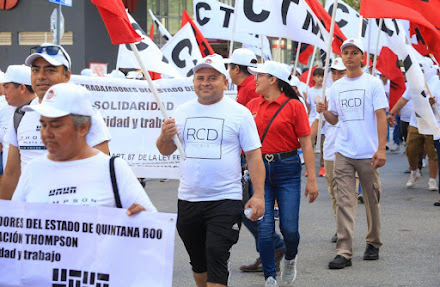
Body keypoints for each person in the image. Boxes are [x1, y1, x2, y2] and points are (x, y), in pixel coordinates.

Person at [156, 54, 265, 287]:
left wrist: (258, 195)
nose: (205, 82)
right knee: (199, 264)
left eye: (212, 78)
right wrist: (165, 135)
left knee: (216, 255)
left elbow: (254, 156)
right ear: (194, 82)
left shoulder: (239, 113)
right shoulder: (182, 112)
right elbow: (165, 150)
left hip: (225, 199)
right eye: (200, 78)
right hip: (188, 200)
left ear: (225, 82)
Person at [12, 83, 156, 215]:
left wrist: (140, 219)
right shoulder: (33, 169)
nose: (46, 134)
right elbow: (13, 225)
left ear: (83, 128)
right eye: (43, 124)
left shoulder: (113, 168)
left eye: (56, 126)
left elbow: (154, 229)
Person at [0, 43, 111, 200]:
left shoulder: (86, 114)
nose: (41, 76)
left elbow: (102, 172)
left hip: (72, 217)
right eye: (35, 70)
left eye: (50, 70)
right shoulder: (20, 115)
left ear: (67, 76)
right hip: (32, 218)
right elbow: (11, 174)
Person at [246, 61, 319, 286]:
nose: (255, 79)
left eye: (260, 76)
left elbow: (306, 144)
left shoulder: (294, 106)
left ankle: (290, 257)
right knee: (264, 229)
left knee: (289, 229)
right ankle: (269, 276)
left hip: (287, 168)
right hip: (259, 172)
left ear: (273, 80)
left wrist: (312, 179)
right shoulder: (251, 106)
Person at [318, 38, 388, 269]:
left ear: (362, 57)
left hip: (368, 152)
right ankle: (344, 251)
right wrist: (324, 111)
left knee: (371, 199)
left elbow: (380, 116)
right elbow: (335, 119)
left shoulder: (373, 83)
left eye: (353, 52)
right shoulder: (336, 87)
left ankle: (373, 242)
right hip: (343, 152)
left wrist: (380, 148)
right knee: (344, 200)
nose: (349, 56)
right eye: (345, 52)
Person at [227, 48, 286, 273]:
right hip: (258, 155)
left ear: (235, 69)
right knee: (249, 207)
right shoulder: (249, 88)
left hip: (258, 157)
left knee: (249, 207)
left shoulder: (248, 91)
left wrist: (248, 158)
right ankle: (267, 252)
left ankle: (274, 246)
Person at [313, 57, 346, 243]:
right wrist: (322, 111)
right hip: (331, 147)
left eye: (340, 72)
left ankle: (347, 227)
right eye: (334, 72)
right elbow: (323, 120)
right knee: (334, 191)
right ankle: (340, 226)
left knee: (345, 193)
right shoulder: (326, 92)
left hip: (351, 149)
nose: (336, 75)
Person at [387, 80, 439, 191]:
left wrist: (431, 105)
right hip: (416, 123)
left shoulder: (437, 85)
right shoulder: (414, 82)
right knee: (410, 150)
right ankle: (414, 171)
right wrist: (392, 113)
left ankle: (432, 180)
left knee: (432, 153)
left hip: (433, 124)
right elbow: (403, 99)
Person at [0, 65, 36, 178]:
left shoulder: (43, 114)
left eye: (6, 87)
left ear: (22, 88)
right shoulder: (16, 112)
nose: (4, 92)